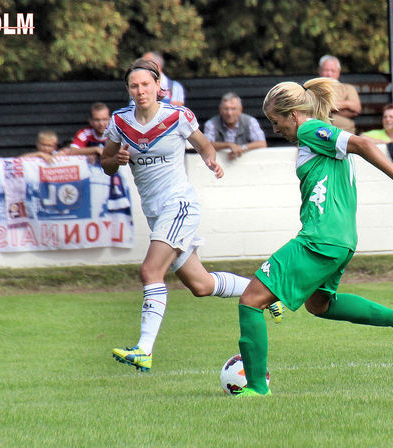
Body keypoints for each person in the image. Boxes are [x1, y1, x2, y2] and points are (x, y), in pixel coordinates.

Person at [235, 77, 393, 397]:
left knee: (250, 302)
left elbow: (364, 143)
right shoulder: (316, 136)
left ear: (294, 116)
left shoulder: (308, 130)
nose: (275, 129)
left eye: (276, 121)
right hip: (342, 240)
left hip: (319, 239)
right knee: (320, 304)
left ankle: (257, 387)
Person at [100, 58, 282, 373]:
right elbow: (106, 163)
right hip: (156, 213)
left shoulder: (178, 116)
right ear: (128, 90)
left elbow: (205, 146)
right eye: (134, 86)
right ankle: (267, 290)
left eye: (146, 84)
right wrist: (116, 158)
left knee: (149, 271)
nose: (141, 91)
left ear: (158, 87)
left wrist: (211, 160)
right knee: (200, 285)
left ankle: (144, 349)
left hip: (180, 205)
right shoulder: (119, 121)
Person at [203, 92, 267, 160]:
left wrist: (242, 148)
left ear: (240, 109)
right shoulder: (211, 124)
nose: (229, 113)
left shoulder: (250, 121)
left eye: (233, 109)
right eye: (226, 109)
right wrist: (229, 145)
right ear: (220, 110)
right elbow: (205, 145)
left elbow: (262, 143)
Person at [318, 55, 361, 133]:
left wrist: (328, 109)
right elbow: (314, 109)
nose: (329, 74)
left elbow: (356, 109)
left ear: (338, 72)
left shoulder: (348, 88)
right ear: (319, 71)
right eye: (326, 70)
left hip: (346, 132)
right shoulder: (312, 89)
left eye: (333, 71)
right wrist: (346, 105)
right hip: (319, 134)